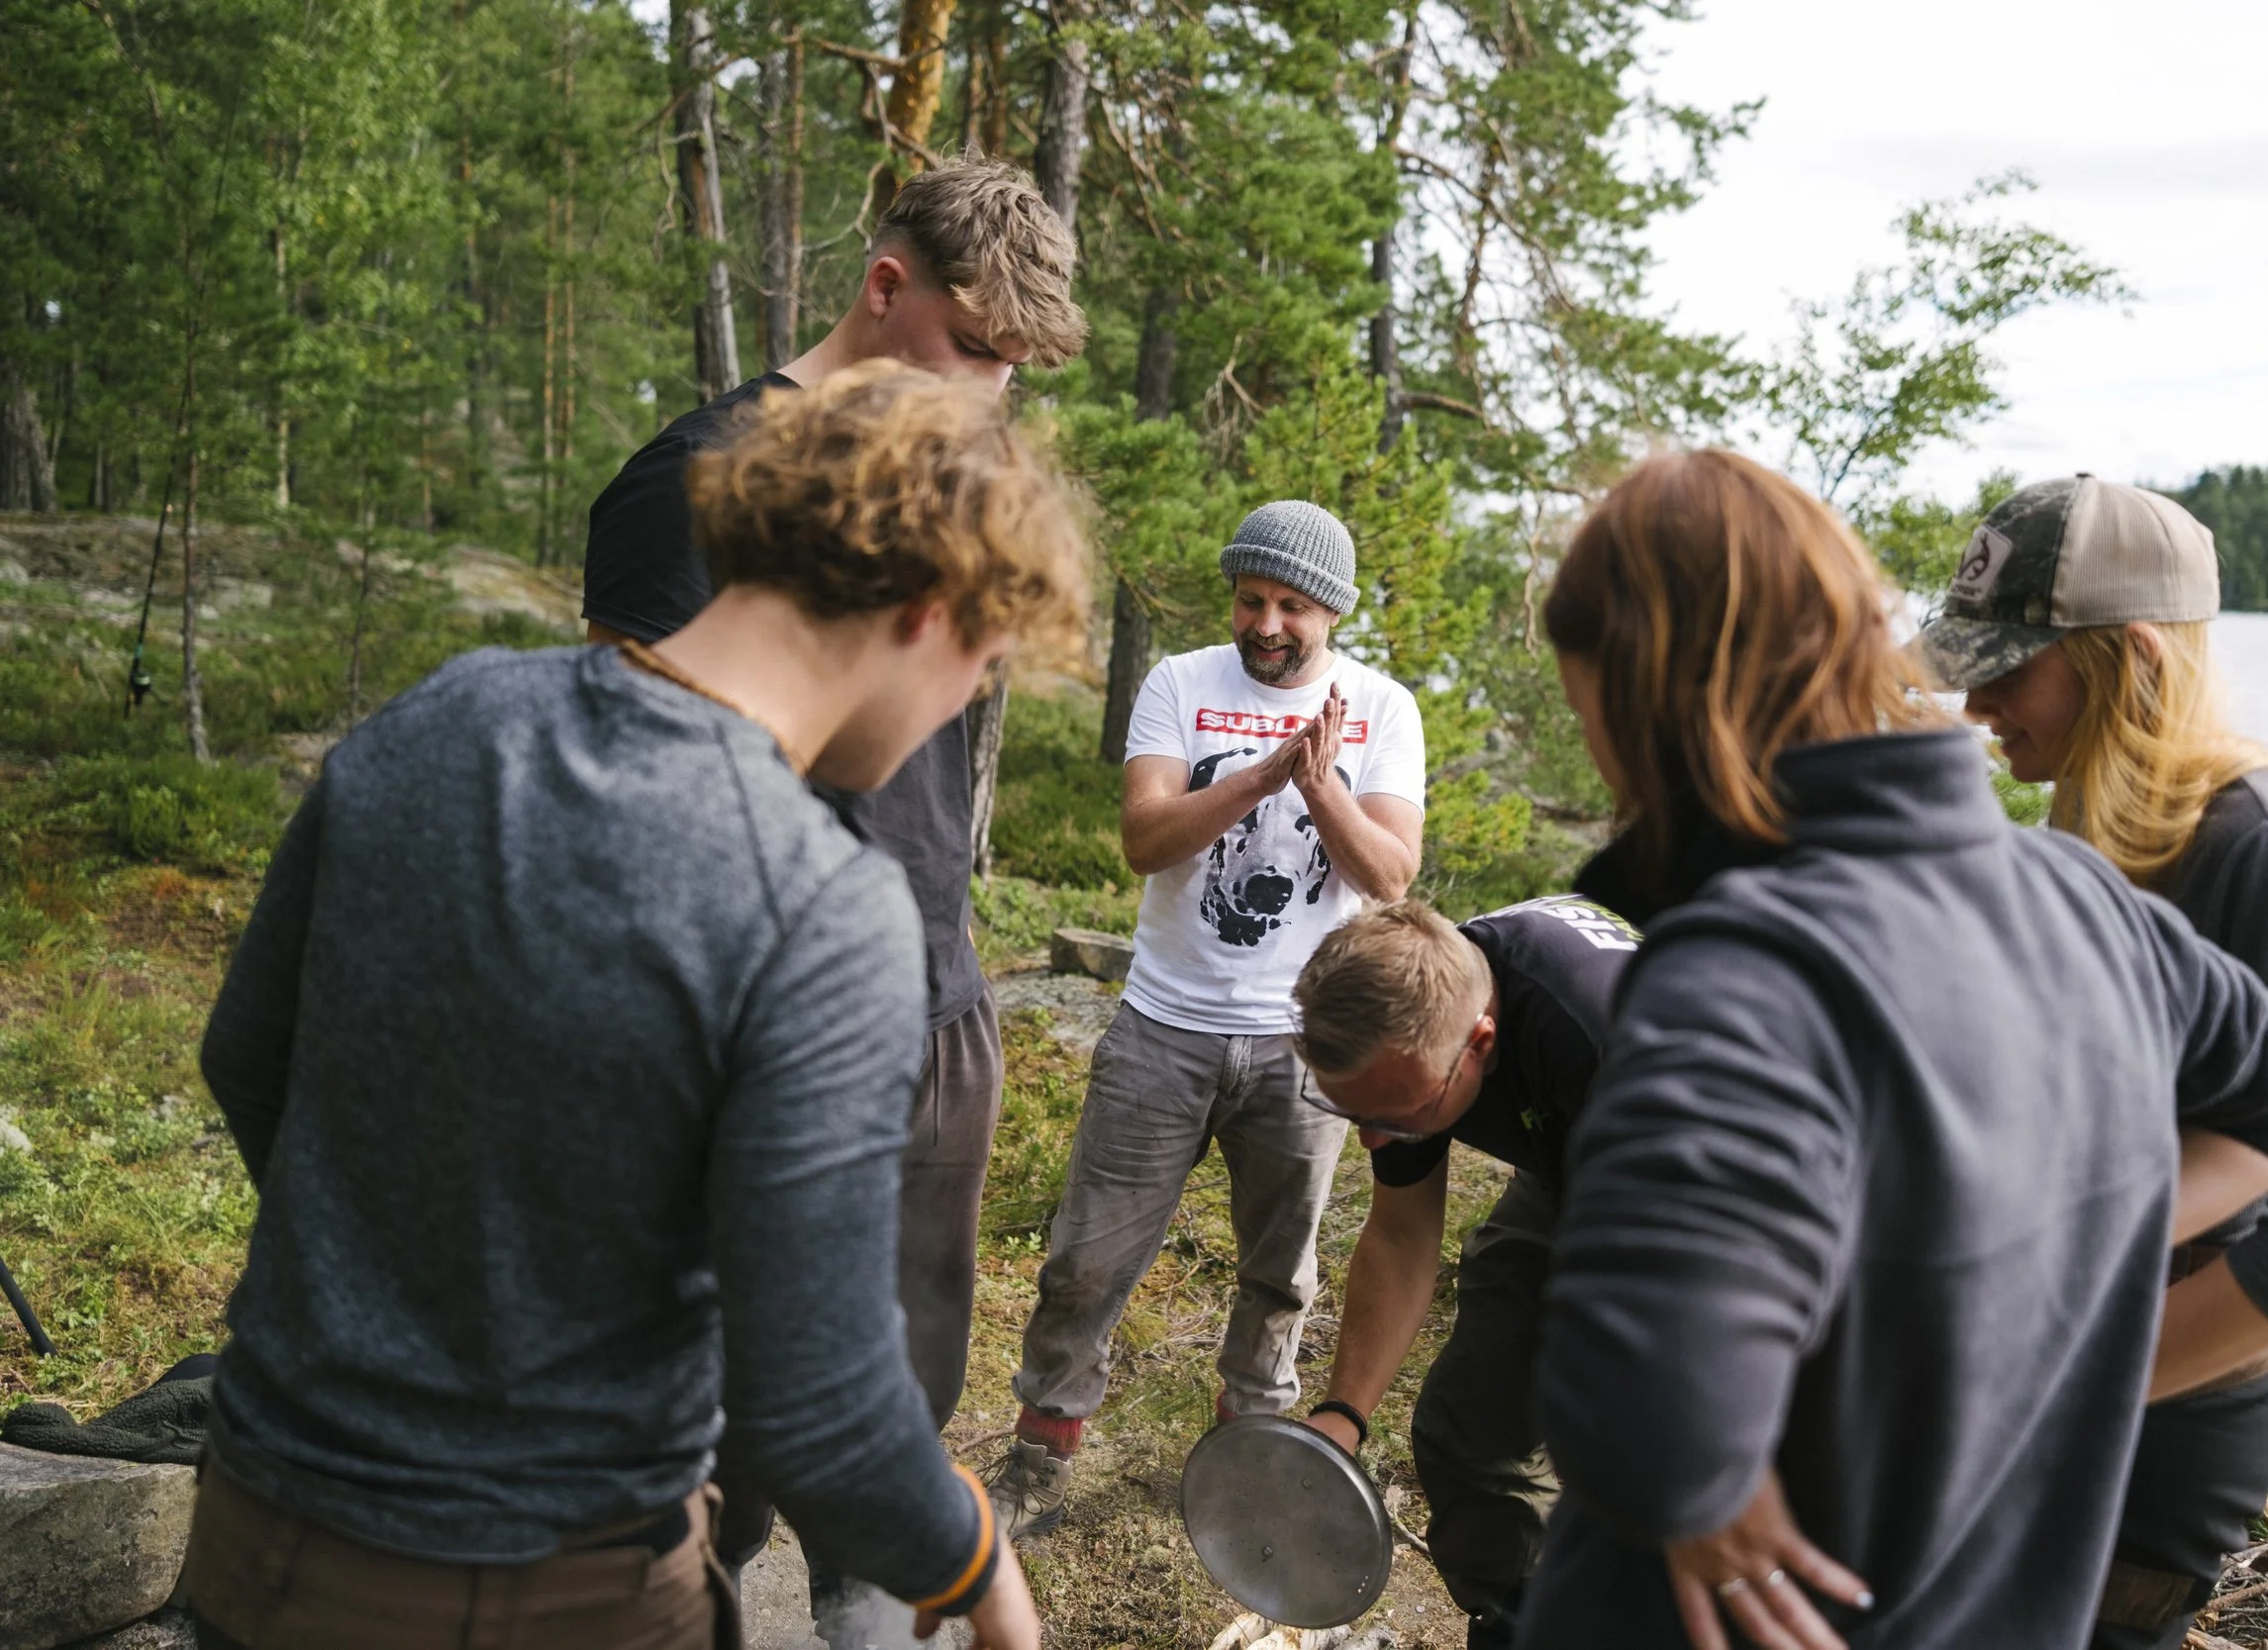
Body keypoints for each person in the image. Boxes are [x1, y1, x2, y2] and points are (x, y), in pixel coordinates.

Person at [181, 363, 1083, 1650]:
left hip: (256, 1527)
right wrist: (980, 1562)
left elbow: (245, 1055)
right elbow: (820, 1400)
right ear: (931, 613)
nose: (960, 708)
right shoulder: (821, 901)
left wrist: (395, 1294)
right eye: (984, 671)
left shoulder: (440, 714)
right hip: (550, 1583)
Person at [1521, 448, 2268, 1650]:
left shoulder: (1738, 975)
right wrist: (2035, 1265)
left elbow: (1649, 1426)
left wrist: (1695, 1475)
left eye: (1579, 694)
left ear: (1639, 691)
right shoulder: (2080, 896)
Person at [578, 153, 1085, 1633]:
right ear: (885, 287)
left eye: (1013, 369)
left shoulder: (958, 479)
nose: (991, 393)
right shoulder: (693, 477)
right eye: (976, 349)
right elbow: (631, 771)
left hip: (931, 993)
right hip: (739, 1015)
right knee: (718, 1430)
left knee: (902, 1407)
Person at [1920, 474, 2268, 1649]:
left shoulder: (2262, 848)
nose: (1975, 703)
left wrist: (2072, 1388)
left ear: (2131, 657)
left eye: (2007, 666)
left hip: (2148, 1434)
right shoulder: (2089, 825)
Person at [981, 500, 1428, 1536]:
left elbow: (1393, 875)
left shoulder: (1383, 708)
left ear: (1332, 612)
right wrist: (1269, 771)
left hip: (1308, 1043)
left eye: (1289, 606)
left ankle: (1249, 1459)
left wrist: (1320, 788)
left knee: (1281, 1271)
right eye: (1248, 598)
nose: (1264, 623)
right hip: (1163, 1025)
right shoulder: (1180, 682)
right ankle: (1040, 1454)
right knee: (1087, 1253)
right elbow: (1144, 837)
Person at [1287, 895, 1639, 1649]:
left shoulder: (1604, 1036)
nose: (1379, 1135)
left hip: (1766, 1188)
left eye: (1402, 1113)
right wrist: (1341, 1417)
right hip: (1576, 1158)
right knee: (1475, 1423)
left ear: (1481, 1041)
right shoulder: (1411, 1029)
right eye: (1358, 1113)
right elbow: (1402, 1234)